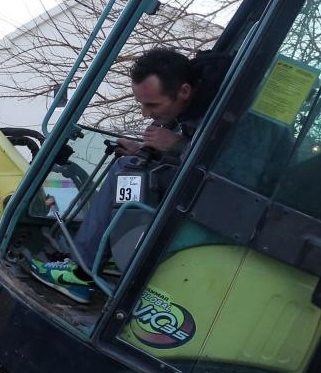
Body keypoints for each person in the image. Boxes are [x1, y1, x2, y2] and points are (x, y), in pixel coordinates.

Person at [30, 48, 203, 301]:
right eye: (141, 104)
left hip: (206, 202)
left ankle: (82, 270)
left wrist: (178, 145)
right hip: (191, 191)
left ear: (184, 91)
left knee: (127, 171)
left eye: (152, 105)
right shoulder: (193, 112)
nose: (145, 114)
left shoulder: (222, 114)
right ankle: (106, 249)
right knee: (129, 163)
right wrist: (146, 151)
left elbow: (224, 169)